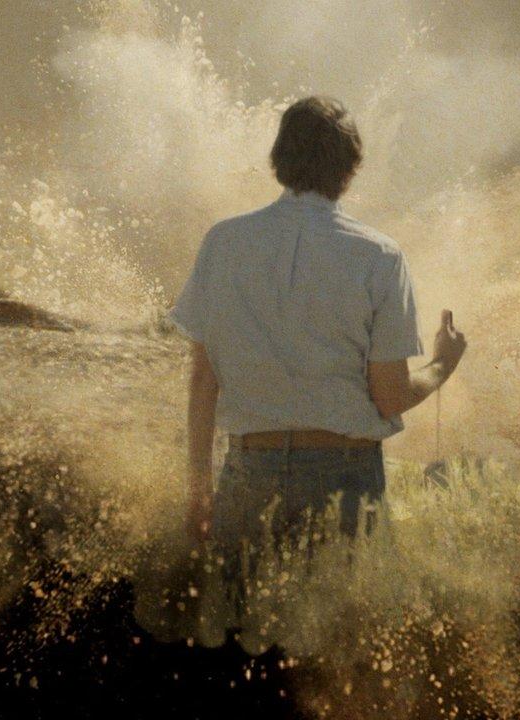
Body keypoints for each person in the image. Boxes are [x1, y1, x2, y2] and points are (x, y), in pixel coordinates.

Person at [166, 95, 467, 611]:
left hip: (248, 470)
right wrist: (443, 363)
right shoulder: (379, 255)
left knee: (239, 634)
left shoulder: (224, 242)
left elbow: (203, 381)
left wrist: (199, 490)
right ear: (350, 169)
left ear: (279, 159)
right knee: (343, 639)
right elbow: (390, 397)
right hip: (342, 475)